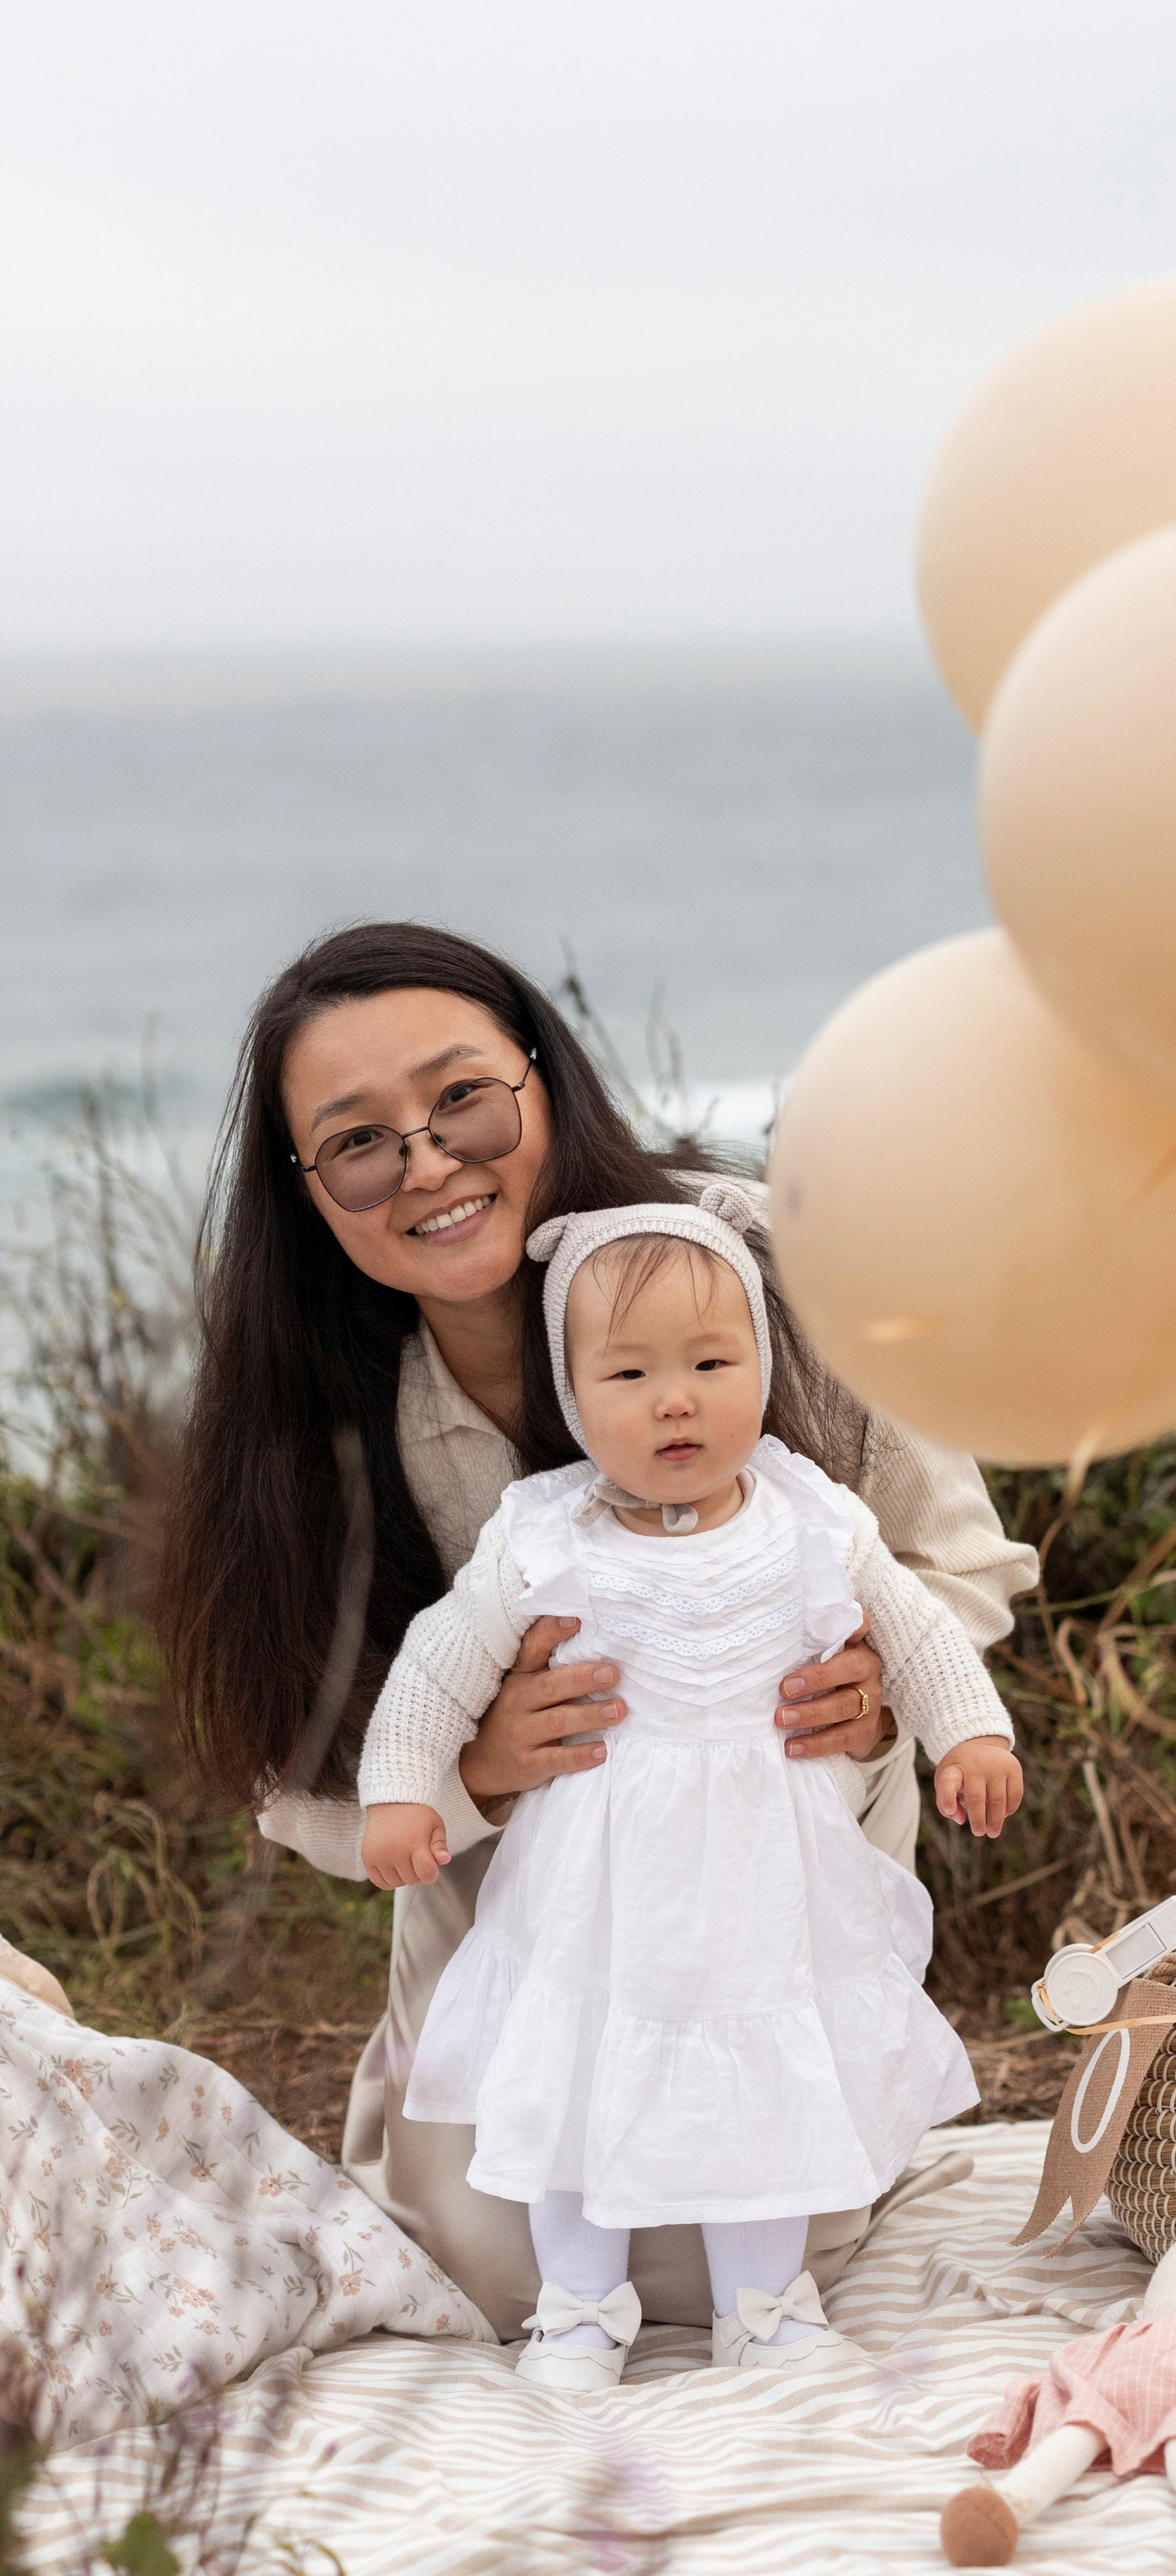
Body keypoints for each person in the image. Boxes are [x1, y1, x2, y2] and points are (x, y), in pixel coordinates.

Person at [158, 922, 1039, 2338]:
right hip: (533, 1925)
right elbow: (290, 1774)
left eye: (463, 1099)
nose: (431, 1162)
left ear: (543, 1081)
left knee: (760, 2224)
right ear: (310, 1191)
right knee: (521, 2265)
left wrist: (888, 1692)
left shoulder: (756, 1257)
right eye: (361, 1143)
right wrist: (473, 1770)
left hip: (772, 1895)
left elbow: (959, 1563)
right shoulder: (309, 1402)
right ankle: (426, 2078)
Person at [356, 1188, 1024, 2387]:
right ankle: (575, 2304)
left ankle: (766, 2304)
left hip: (767, 1881)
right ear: (573, 1396)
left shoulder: (814, 1518)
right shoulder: (544, 1537)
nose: (676, 1398)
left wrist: (968, 1733)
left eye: (712, 1361)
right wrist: (404, 1788)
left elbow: (919, 1635)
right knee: (576, 2080)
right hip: (594, 1888)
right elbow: (438, 1666)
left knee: (765, 2087)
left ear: (762, 1365)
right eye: (629, 1375)